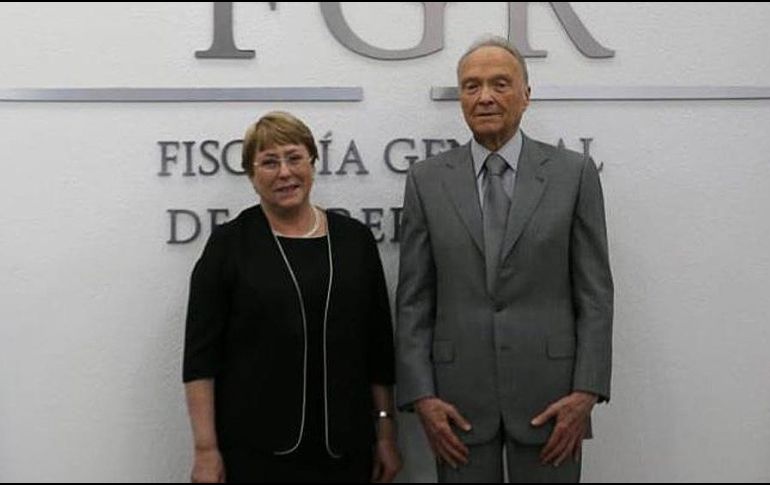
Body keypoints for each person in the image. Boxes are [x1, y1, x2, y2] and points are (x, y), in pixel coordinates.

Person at [396, 35, 613, 483]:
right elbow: (414, 300)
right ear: (460, 98)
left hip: (553, 402)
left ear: (526, 95)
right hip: (456, 407)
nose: (485, 97)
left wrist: (586, 391)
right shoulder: (426, 180)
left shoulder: (573, 175)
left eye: (500, 83)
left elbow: (595, 294)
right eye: (471, 86)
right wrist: (422, 397)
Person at [183, 111, 401, 483]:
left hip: (346, 449)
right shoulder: (230, 245)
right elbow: (201, 359)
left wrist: (385, 433)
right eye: (269, 162)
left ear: (312, 163)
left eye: (294, 157)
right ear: (252, 177)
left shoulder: (354, 241)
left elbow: (378, 349)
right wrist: (205, 450)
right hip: (255, 452)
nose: (284, 172)